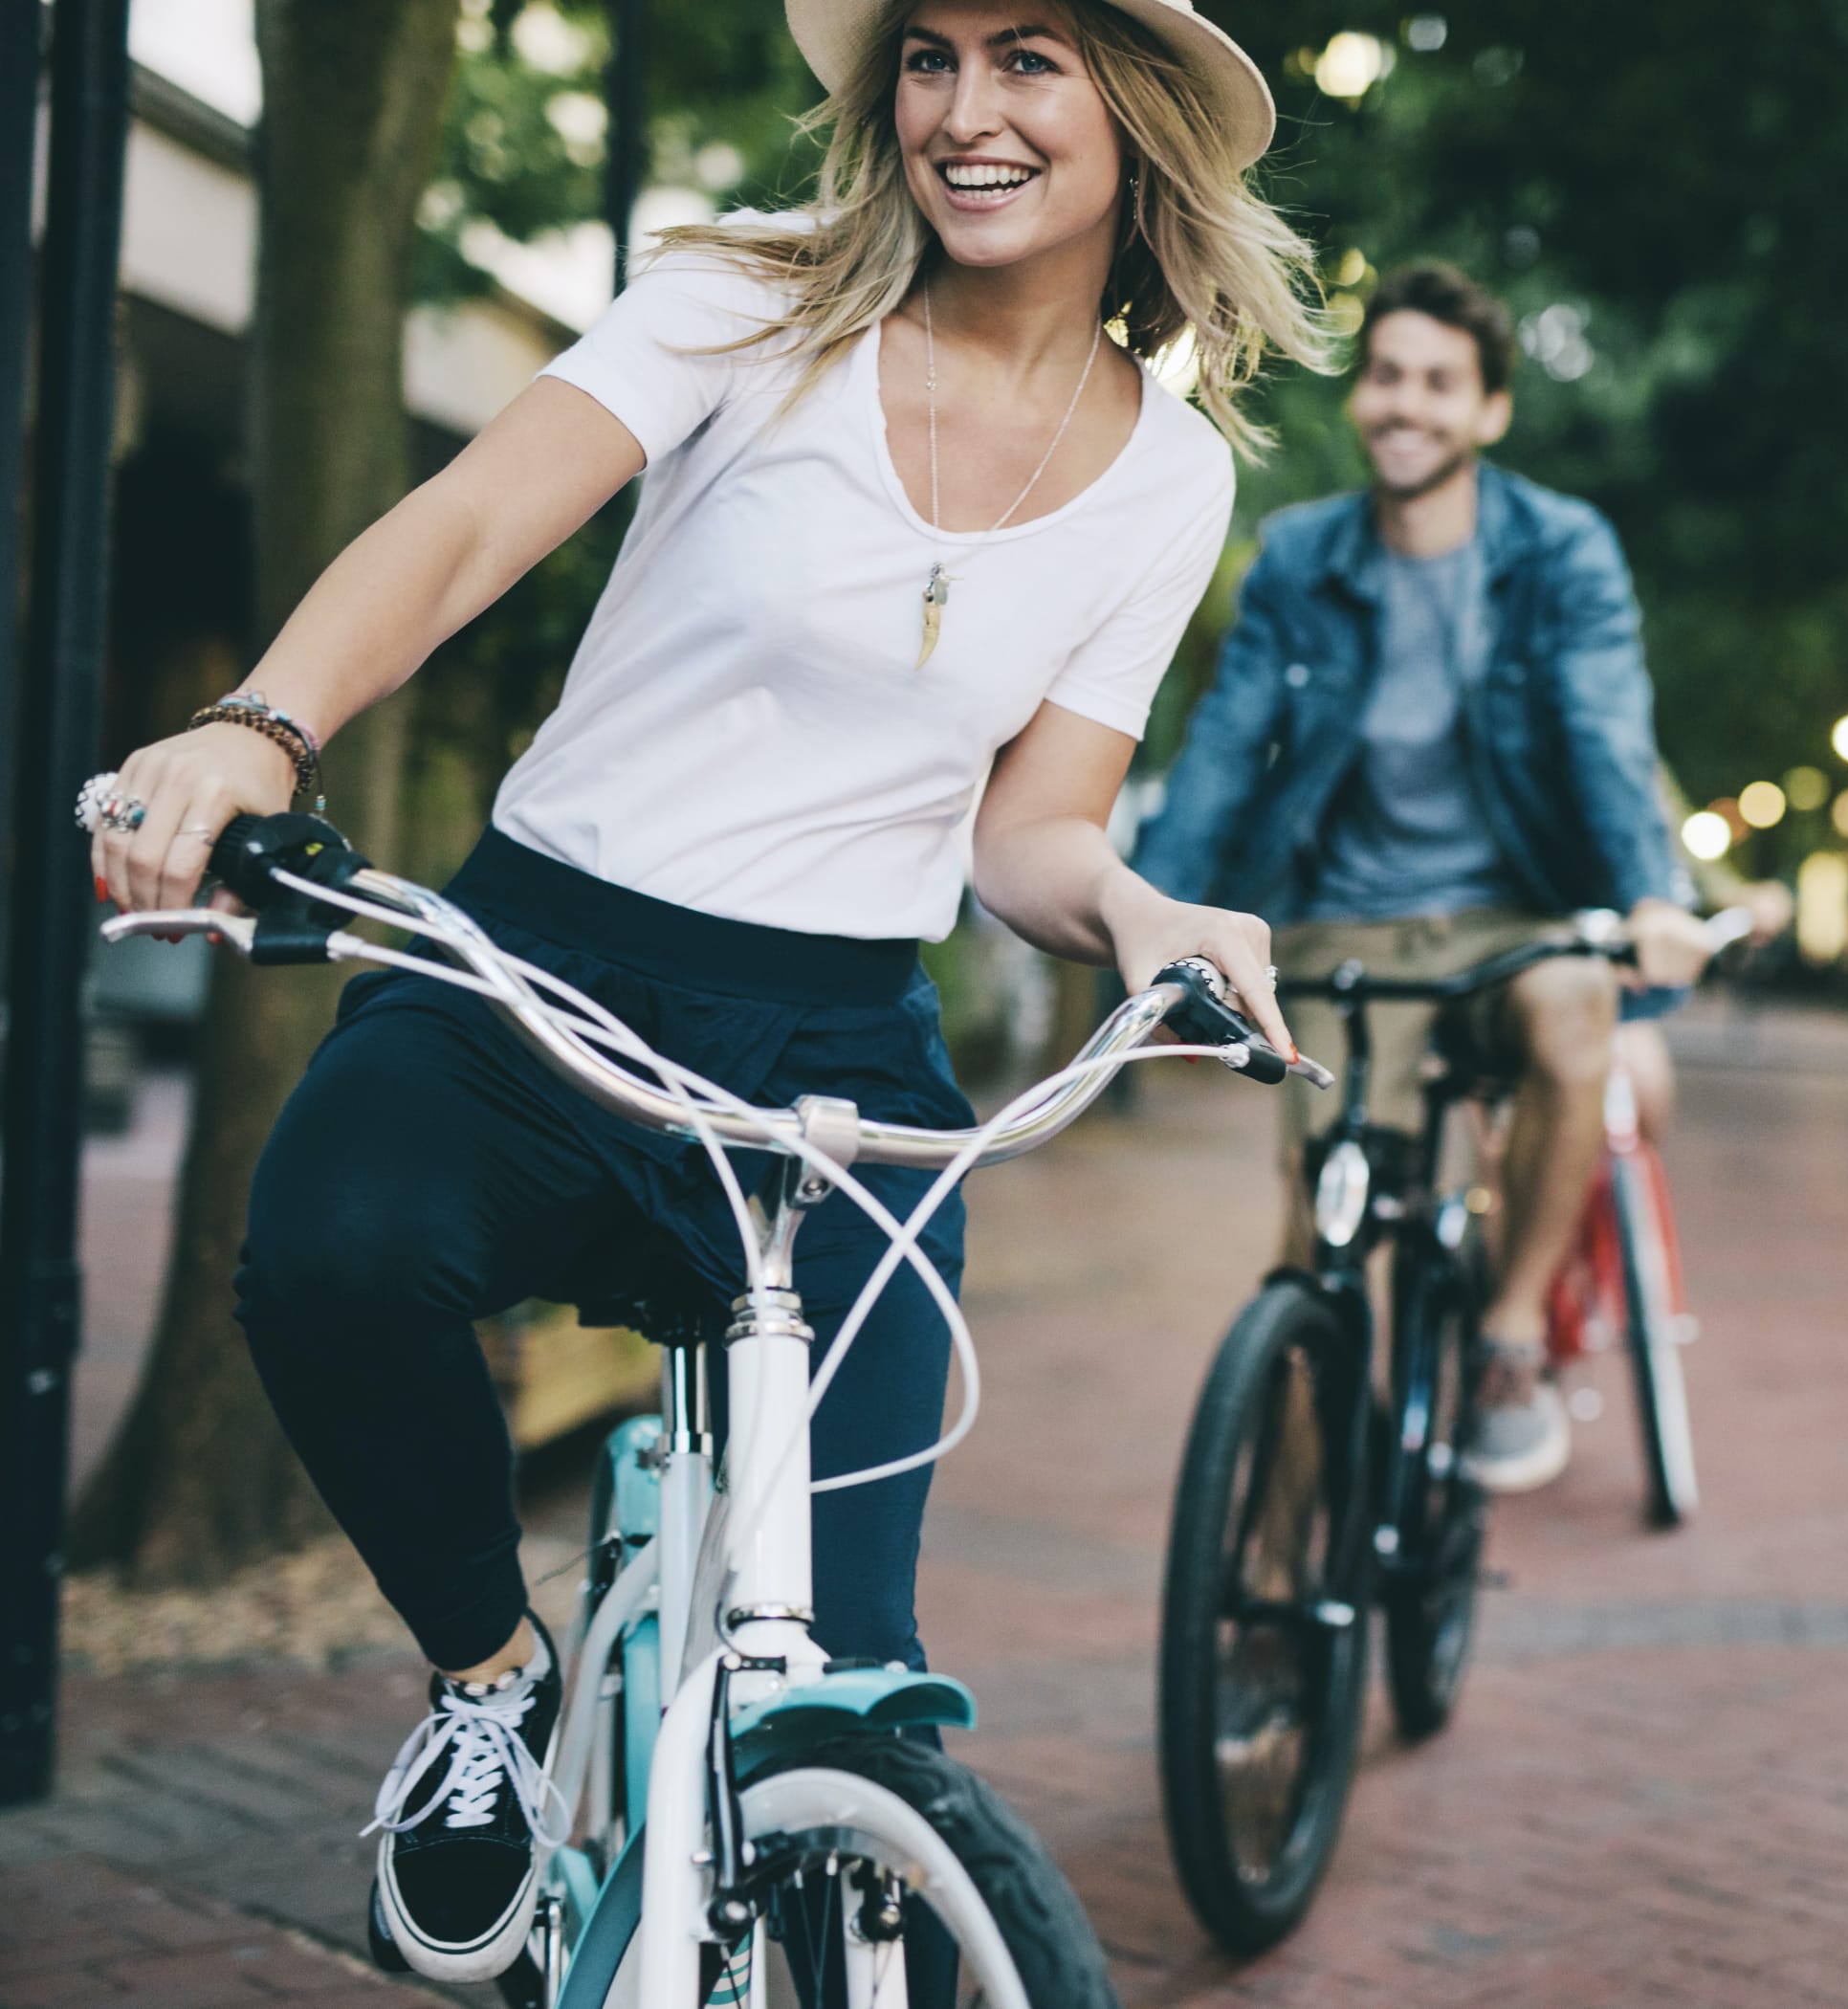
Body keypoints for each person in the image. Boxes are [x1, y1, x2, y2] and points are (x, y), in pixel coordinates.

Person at [87, 0, 1325, 1982]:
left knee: (855, 1669)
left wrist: (1145, 911)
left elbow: (1033, 833)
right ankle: (491, 1684)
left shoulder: (1167, 476)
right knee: (329, 1254)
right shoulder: (753, 300)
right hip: (544, 962)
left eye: (1029, 60)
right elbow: (474, 522)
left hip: (840, 1051)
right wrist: (260, 726)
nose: (965, 110)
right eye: (929, 57)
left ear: (1137, 111)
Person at [1133, 260, 1715, 1496]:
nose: (1408, 405)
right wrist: (1155, 913)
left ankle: (1508, 1334)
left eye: (1441, 384)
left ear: (1490, 409)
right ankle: (1283, 1613)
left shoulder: (1559, 551)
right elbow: (1229, 745)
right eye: (1388, 376)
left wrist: (1651, 900)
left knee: (1577, 1015)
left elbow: (1605, 731)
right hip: (1346, 928)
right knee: (1318, 1257)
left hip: (1513, 923)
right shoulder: (1299, 558)